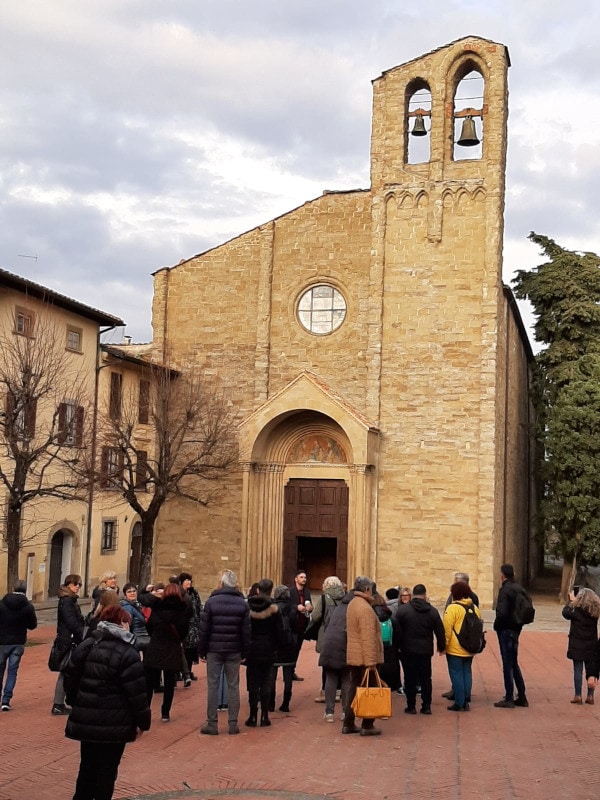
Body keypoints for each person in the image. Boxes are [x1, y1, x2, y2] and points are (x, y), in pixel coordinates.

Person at [63, 604, 151, 800]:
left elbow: (70, 675)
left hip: (87, 720)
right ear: (122, 623)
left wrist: (76, 701)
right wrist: (143, 722)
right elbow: (137, 694)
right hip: (115, 724)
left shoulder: (89, 644)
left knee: (86, 769)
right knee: (107, 772)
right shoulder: (128, 653)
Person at [197, 569, 251, 736]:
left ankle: (212, 723)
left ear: (221, 583)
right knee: (233, 685)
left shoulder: (212, 602)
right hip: (234, 649)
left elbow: (204, 629)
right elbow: (246, 631)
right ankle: (233, 724)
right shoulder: (242, 603)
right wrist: (245, 651)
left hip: (214, 649)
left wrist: (202, 650)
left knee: (213, 685)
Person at [139, 581, 191, 722]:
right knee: (169, 682)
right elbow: (183, 632)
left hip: (155, 647)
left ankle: (146, 711)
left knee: (149, 683)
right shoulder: (182, 611)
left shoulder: (157, 607)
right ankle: (165, 713)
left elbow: (149, 626)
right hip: (172, 648)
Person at [342, 575, 384, 736]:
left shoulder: (353, 603)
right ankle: (367, 723)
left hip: (355, 654)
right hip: (364, 657)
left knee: (354, 688)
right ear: (367, 589)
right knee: (370, 690)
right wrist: (371, 662)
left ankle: (349, 722)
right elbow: (367, 637)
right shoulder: (365, 608)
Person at [395, 583, 445, 715]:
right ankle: (426, 706)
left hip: (407, 649)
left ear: (413, 595)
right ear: (425, 595)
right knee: (426, 678)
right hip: (425, 649)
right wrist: (441, 646)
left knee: (409, 677)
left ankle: (411, 706)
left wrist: (397, 646)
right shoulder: (432, 611)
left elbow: (397, 630)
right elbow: (440, 630)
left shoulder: (403, 611)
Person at [245, 578, 286, 728]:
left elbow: (245, 629)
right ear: (270, 590)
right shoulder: (274, 609)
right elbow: (280, 631)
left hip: (252, 650)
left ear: (257, 590)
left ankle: (252, 715)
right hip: (268, 650)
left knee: (252, 683)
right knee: (266, 683)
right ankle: (264, 716)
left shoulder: (248, 607)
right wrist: (278, 646)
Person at [493, 563, 529, 708]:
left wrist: (497, 626)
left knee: (507, 663)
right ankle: (521, 695)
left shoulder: (505, 590)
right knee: (513, 662)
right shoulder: (519, 588)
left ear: (502, 575)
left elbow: (501, 612)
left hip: (506, 630)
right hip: (516, 629)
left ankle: (509, 697)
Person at [443, 580, 482, 711]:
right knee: (467, 673)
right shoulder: (474, 608)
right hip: (470, 647)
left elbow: (447, 630)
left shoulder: (453, 608)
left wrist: (443, 645)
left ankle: (459, 702)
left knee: (456, 674)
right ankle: (466, 699)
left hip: (455, 648)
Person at [319, 584, 354, 724]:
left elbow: (325, 625)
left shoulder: (334, 609)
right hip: (344, 647)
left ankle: (329, 712)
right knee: (346, 679)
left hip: (329, 646)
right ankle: (345, 711)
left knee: (331, 677)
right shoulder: (352, 610)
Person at [0, 579, 38, 711]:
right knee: (12, 671)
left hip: (2, 641)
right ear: (25, 590)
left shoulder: (1, 604)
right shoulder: (28, 606)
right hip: (18, 642)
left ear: (12, 588)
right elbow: (33, 625)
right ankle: (6, 700)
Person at [51, 574, 85, 716]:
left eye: (79, 585)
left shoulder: (70, 600)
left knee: (68, 672)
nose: (77, 587)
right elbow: (71, 622)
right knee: (66, 671)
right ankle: (58, 704)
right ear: (68, 584)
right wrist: (81, 635)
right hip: (67, 641)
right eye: (75, 584)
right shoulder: (67, 601)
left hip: (68, 640)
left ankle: (63, 702)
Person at [309, 575, 345, 703]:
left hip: (327, 635)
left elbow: (315, 616)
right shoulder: (345, 598)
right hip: (342, 634)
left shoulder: (324, 599)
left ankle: (326, 693)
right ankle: (339, 692)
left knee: (327, 664)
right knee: (341, 663)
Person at [561, 587, 600, 705]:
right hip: (591, 644)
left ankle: (578, 695)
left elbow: (565, 613)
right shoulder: (595, 612)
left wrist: (572, 601)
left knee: (578, 669)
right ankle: (590, 695)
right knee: (591, 669)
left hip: (577, 644)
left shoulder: (575, 611)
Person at [270, 585, 298, 713]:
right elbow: (296, 626)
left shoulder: (271, 609)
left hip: (274, 644)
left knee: (271, 675)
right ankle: (286, 703)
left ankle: (270, 703)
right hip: (289, 644)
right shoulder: (292, 609)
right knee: (288, 676)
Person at [178, 572, 203, 686]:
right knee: (182, 649)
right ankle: (181, 672)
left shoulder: (194, 593)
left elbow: (198, 607)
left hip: (193, 624)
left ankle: (188, 671)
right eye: (186, 580)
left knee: (191, 648)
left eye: (189, 580)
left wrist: (199, 620)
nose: (189, 582)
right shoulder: (178, 593)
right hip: (183, 623)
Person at [288, 570, 312, 680]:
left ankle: (291, 671)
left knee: (297, 650)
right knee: (290, 650)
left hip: (302, 627)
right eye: (301, 577)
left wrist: (310, 608)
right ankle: (287, 672)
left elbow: (309, 604)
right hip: (292, 626)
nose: (304, 579)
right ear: (296, 579)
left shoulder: (307, 592)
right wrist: (296, 608)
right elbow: (285, 606)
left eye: (305, 577)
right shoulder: (290, 592)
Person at [120, 583, 150, 653]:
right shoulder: (127, 607)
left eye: (134, 591)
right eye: (129, 592)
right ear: (125, 595)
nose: (132, 593)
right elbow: (127, 626)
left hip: (140, 639)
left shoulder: (136, 605)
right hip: (136, 640)